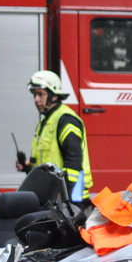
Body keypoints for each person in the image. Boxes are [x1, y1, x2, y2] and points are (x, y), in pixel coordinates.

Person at [19, 70, 93, 202]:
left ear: (53, 95)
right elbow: (46, 160)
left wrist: (68, 200)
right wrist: (27, 167)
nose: (36, 99)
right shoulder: (46, 121)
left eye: (40, 94)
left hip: (67, 197)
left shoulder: (66, 119)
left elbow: (74, 161)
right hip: (51, 195)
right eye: (35, 95)